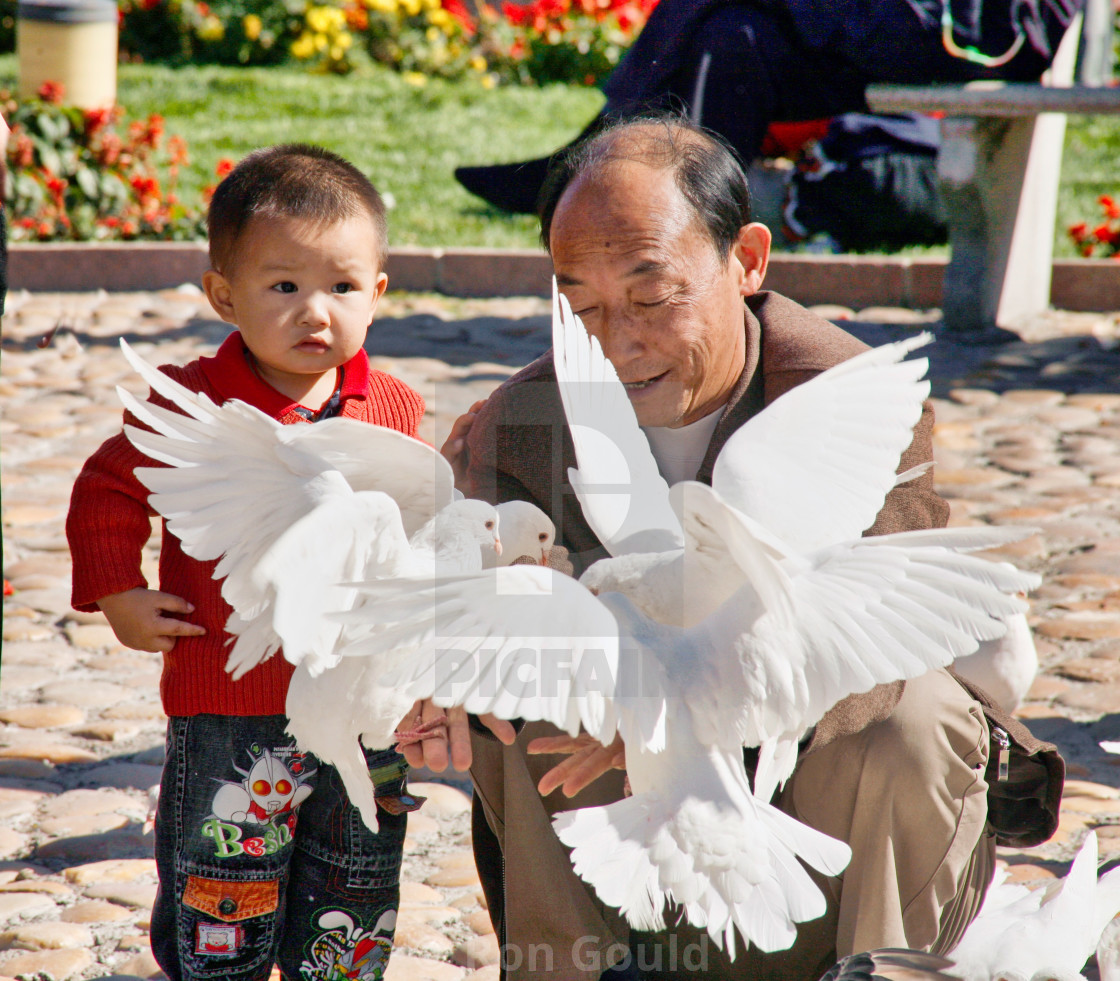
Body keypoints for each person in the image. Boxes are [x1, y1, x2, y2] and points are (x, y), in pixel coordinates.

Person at [457, 116, 1057, 979]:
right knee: (517, 699)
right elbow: (483, 632)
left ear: (748, 259)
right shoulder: (524, 424)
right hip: (633, 839)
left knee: (914, 717)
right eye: (580, 305)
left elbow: (877, 653)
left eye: (650, 295)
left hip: (815, 805)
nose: (617, 342)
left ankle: (881, 967)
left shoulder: (850, 396)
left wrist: (686, 711)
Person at [67, 144, 428, 981]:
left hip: (361, 707)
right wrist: (121, 589)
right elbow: (108, 487)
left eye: (341, 287)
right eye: (284, 286)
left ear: (377, 292)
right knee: (224, 882)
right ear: (223, 294)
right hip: (232, 704)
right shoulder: (190, 404)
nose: (316, 312)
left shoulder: (393, 407)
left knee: (355, 876)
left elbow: (413, 533)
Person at [454, 0, 1083, 215]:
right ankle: (698, 246)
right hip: (897, 28)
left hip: (975, 31)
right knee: (729, 38)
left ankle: (585, 157)